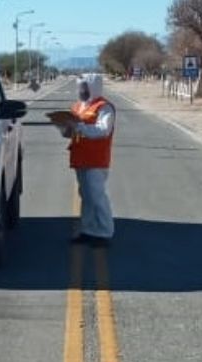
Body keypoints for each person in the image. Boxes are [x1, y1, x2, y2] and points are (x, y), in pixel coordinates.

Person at [61, 74, 116, 247]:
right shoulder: (77, 107)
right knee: (86, 196)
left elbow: (102, 130)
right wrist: (66, 128)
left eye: (84, 87)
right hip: (80, 157)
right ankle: (89, 230)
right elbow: (69, 132)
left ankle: (105, 232)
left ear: (93, 87)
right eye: (80, 87)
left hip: (96, 159)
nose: (81, 90)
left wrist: (80, 126)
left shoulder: (104, 107)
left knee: (97, 196)